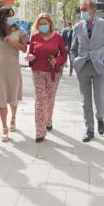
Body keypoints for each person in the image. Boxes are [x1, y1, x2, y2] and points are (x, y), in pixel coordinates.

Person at [71, 0, 104, 142]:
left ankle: (100, 118)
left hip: (99, 67)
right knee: (86, 101)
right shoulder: (77, 27)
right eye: (81, 10)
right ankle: (89, 129)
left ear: (93, 10)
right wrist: (74, 63)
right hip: (83, 67)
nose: (82, 12)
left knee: (99, 98)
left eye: (84, 9)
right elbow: (73, 48)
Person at [27, 13, 67, 142]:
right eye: (40, 24)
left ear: (50, 24)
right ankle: (40, 131)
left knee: (49, 99)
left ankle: (48, 120)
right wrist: (30, 57)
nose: (43, 26)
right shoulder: (34, 36)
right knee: (40, 100)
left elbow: (64, 55)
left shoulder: (58, 37)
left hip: (53, 73)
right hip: (37, 71)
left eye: (45, 23)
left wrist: (57, 60)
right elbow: (31, 52)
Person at [0, 7, 28, 142]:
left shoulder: (20, 31)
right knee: (1, 98)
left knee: (13, 97)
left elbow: (24, 49)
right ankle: (4, 128)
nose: (12, 18)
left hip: (14, 68)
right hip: (0, 68)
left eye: (13, 15)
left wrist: (13, 41)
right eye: (9, 16)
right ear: (3, 17)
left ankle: (13, 117)